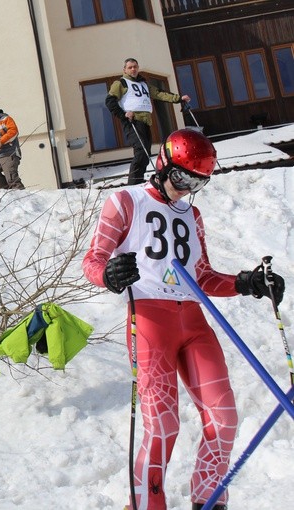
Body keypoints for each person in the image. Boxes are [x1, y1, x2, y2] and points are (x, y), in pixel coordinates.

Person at [82, 128, 285, 510]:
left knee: (224, 418)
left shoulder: (191, 214)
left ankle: (209, 499)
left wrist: (248, 283)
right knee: (162, 428)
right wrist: (108, 274)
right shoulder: (125, 201)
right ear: (163, 163)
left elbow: (202, 275)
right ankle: (146, 504)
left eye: (196, 182)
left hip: (193, 323)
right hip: (149, 322)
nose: (185, 188)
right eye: (181, 177)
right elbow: (92, 260)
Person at [106, 57, 190, 185]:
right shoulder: (121, 83)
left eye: (135, 66)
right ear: (125, 70)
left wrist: (179, 99)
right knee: (141, 151)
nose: (133, 69)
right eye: (130, 67)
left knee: (146, 152)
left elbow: (159, 93)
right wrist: (123, 115)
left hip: (146, 121)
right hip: (132, 120)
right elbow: (109, 101)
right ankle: (133, 183)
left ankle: (139, 181)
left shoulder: (144, 84)